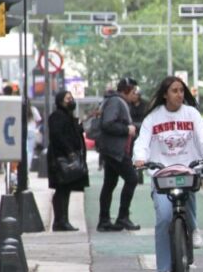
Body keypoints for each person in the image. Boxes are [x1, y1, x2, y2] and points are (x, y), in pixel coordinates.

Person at [132, 76, 203, 272]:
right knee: (163, 218)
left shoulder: (192, 114)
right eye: (174, 90)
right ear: (164, 94)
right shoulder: (153, 118)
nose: (179, 94)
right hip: (161, 175)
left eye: (181, 90)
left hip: (187, 170)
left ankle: (194, 228)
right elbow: (142, 142)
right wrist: (139, 158)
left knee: (189, 193)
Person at [95, 77, 141, 232]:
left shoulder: (115, 101)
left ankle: (104, 220)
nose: (136, 95)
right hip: (116, 151)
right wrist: (126, 129)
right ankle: (122, 217)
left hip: (112, 150)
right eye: (134, 91)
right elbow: (108, 123)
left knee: (109, 184)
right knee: (132, 178)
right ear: (126, 90)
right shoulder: (116, 102)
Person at [46, 89, 88, 231]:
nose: (71, 101)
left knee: (66, 188)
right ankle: (60, 220)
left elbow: (74, 132)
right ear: (60, 101)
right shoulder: (57, 116)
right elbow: (58, 136)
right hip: (60, 158)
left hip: (66, 156)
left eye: (71, 98)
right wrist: (69, 152)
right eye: (67, 98)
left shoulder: (68, 116)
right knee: (62, 189)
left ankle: (62, 220)